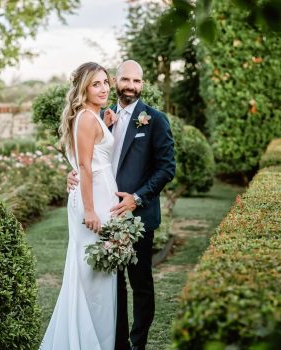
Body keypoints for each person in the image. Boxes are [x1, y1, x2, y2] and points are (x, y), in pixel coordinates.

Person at [67, 60, 176, 350]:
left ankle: (137, 344)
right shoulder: (102, 115)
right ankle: (117, 345)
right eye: (125, 79)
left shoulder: (155, 120)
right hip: (105, 214)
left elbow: (166, 168)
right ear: (116, 81)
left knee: (140, 285)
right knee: (111, 288)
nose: (131, 85)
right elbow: (89, 160)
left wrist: (136, 198)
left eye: (137, 81)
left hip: (137, 219)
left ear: (143, 84)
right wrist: (75, 175)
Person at [40, 62, 120, 350]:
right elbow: (85, 166)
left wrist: (106, 127)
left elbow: (92, 155)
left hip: (99, 198)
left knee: (98, 278)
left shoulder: (94, 118)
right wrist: (89, 209)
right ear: (83, 88)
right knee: (91, 279)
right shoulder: (86, 118)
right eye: (96, 84)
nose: (103, 89)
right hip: (92, 202)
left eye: (105, 83)